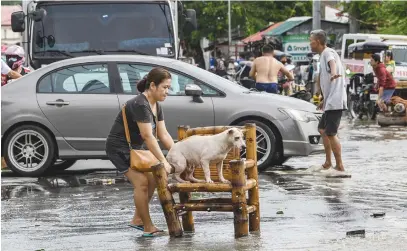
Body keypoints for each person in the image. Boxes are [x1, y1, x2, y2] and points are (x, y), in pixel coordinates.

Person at [105, 67, 174, 237]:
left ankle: (137, 219)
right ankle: (147, 226)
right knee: (142, 182)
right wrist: (163, 161)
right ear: (152, 86)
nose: (167, 92)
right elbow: (148, 136)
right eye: (164, 87)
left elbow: (163, 134)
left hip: (135, 149)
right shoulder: (140, 104)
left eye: (168, 88)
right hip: (119, 148)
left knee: (152, 180)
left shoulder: (156, 105)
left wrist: (178, 154)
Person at [309, 29, 347, 172]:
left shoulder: (328, 53)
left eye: (311, 42)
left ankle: (340, 165)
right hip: (330, 100)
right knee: (322, 129)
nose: (310, 44)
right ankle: (328, 162)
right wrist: (323, 98)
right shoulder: (322, 55)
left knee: (330, 133)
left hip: (335, 101)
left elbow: (332, 64)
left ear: (318, 42)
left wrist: (334, 72)